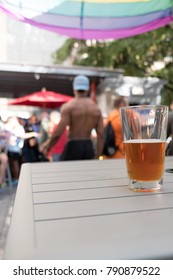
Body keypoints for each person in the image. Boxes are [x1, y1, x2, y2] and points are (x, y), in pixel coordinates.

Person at [40, 75, 104, 160]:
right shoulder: (96, 109)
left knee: (67, 172)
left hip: (73, 146)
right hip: (88, 146)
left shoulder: (69, 107)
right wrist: (98, 155)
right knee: (88, 172)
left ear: (74, 89)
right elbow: (101, 135)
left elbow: (58, 132)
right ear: (88, 89)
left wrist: (48, 146)